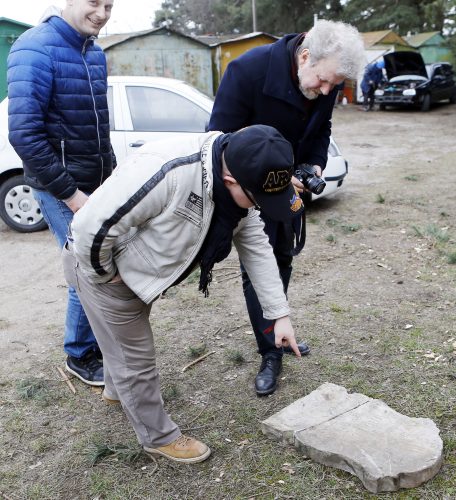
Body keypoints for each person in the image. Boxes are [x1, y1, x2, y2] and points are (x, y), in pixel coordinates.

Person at [62, 125, 303, 463]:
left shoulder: (235, 189)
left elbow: (257, 249)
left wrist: (280, 315)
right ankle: (157, 436)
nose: (258, 207)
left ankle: (116, 392)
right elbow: (89, 225)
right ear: (231, 179)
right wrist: (107, 274)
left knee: (119, 345)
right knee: (137, 360)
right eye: (258, 199)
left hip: (136, 272)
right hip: (100, 269)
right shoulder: (170, 171)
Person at [208, 20, 365, 396]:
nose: (326, 91)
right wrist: (269, 177)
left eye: (333, 86)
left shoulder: (324, 76)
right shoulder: (247, 71)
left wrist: (313, 164)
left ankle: (279, 328)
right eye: (323, 82)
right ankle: (269, 352)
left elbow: (321, 128)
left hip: (291, 192)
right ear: (305, 56)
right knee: (257, 270)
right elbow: (217, 140)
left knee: (284, 259)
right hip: (251, 193)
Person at [7, 0, 115, 386]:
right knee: (84, 268)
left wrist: (112, 175)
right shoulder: (33, 46)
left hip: (97, 181)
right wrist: (71, 195)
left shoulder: (95, 52)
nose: (102, 13)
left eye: (109, 5)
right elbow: (24, 134)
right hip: (59, 187)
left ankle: (100, 342)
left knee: (102, 264)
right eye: (93, 2)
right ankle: (80, 354)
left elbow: (99, 127)